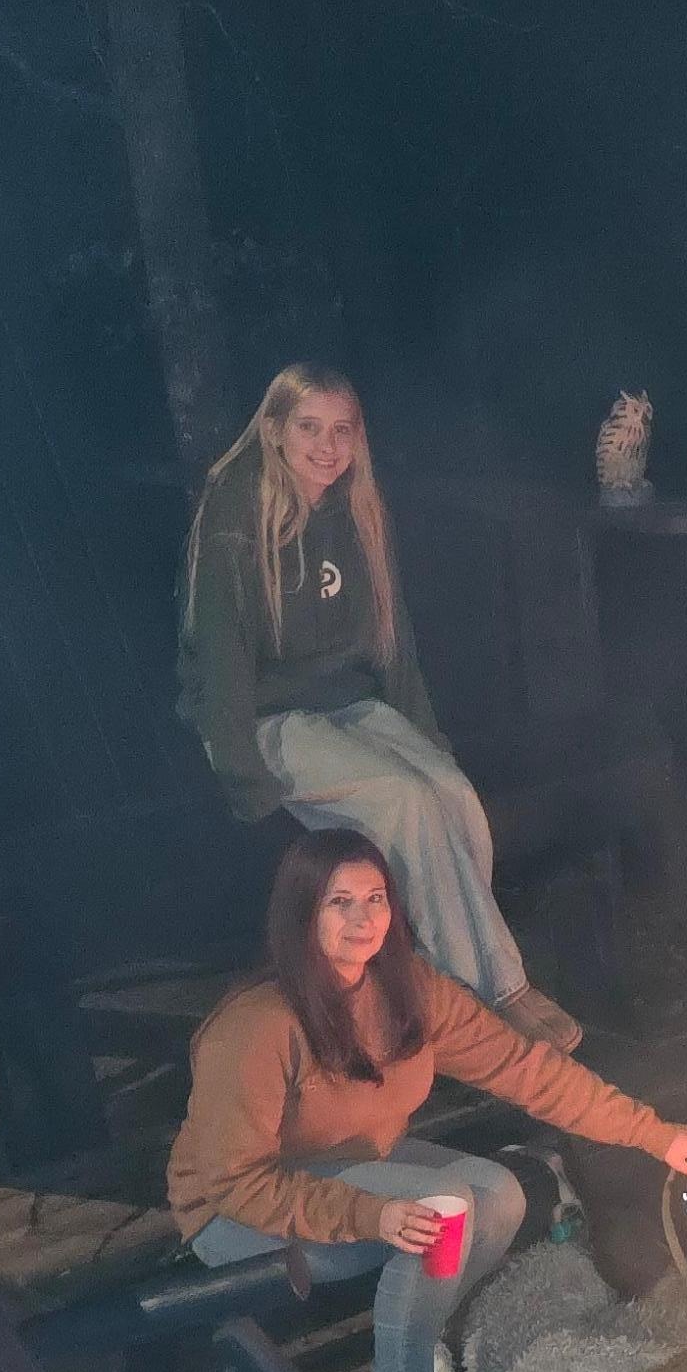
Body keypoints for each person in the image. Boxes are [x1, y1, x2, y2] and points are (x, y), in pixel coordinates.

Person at [168, 828, 687, 1372]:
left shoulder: (409, 989)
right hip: (239, 1215)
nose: (362, 919)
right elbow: (233, 1181)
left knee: (499, 1194)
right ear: (300, 913)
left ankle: (411, 1337)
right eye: (339, 902)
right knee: (443, 1208)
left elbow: (527, 1071)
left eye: (375, 898)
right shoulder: (258, 1025)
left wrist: (656, 1135)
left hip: (351, 1171)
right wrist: (371, 1215)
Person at [180, 362, 579, 1047]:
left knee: (451, 793)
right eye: (310, 428)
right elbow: (220, 658)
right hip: (268, 719)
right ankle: (493, 995)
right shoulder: (235, 519)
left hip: (348, 705)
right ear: (274, 430)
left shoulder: (355, 509)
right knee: (405, 800)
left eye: (343, 430)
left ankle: (446, 981)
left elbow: (396, 644)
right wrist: (245, 780)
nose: (327, 446)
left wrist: (428, 738)